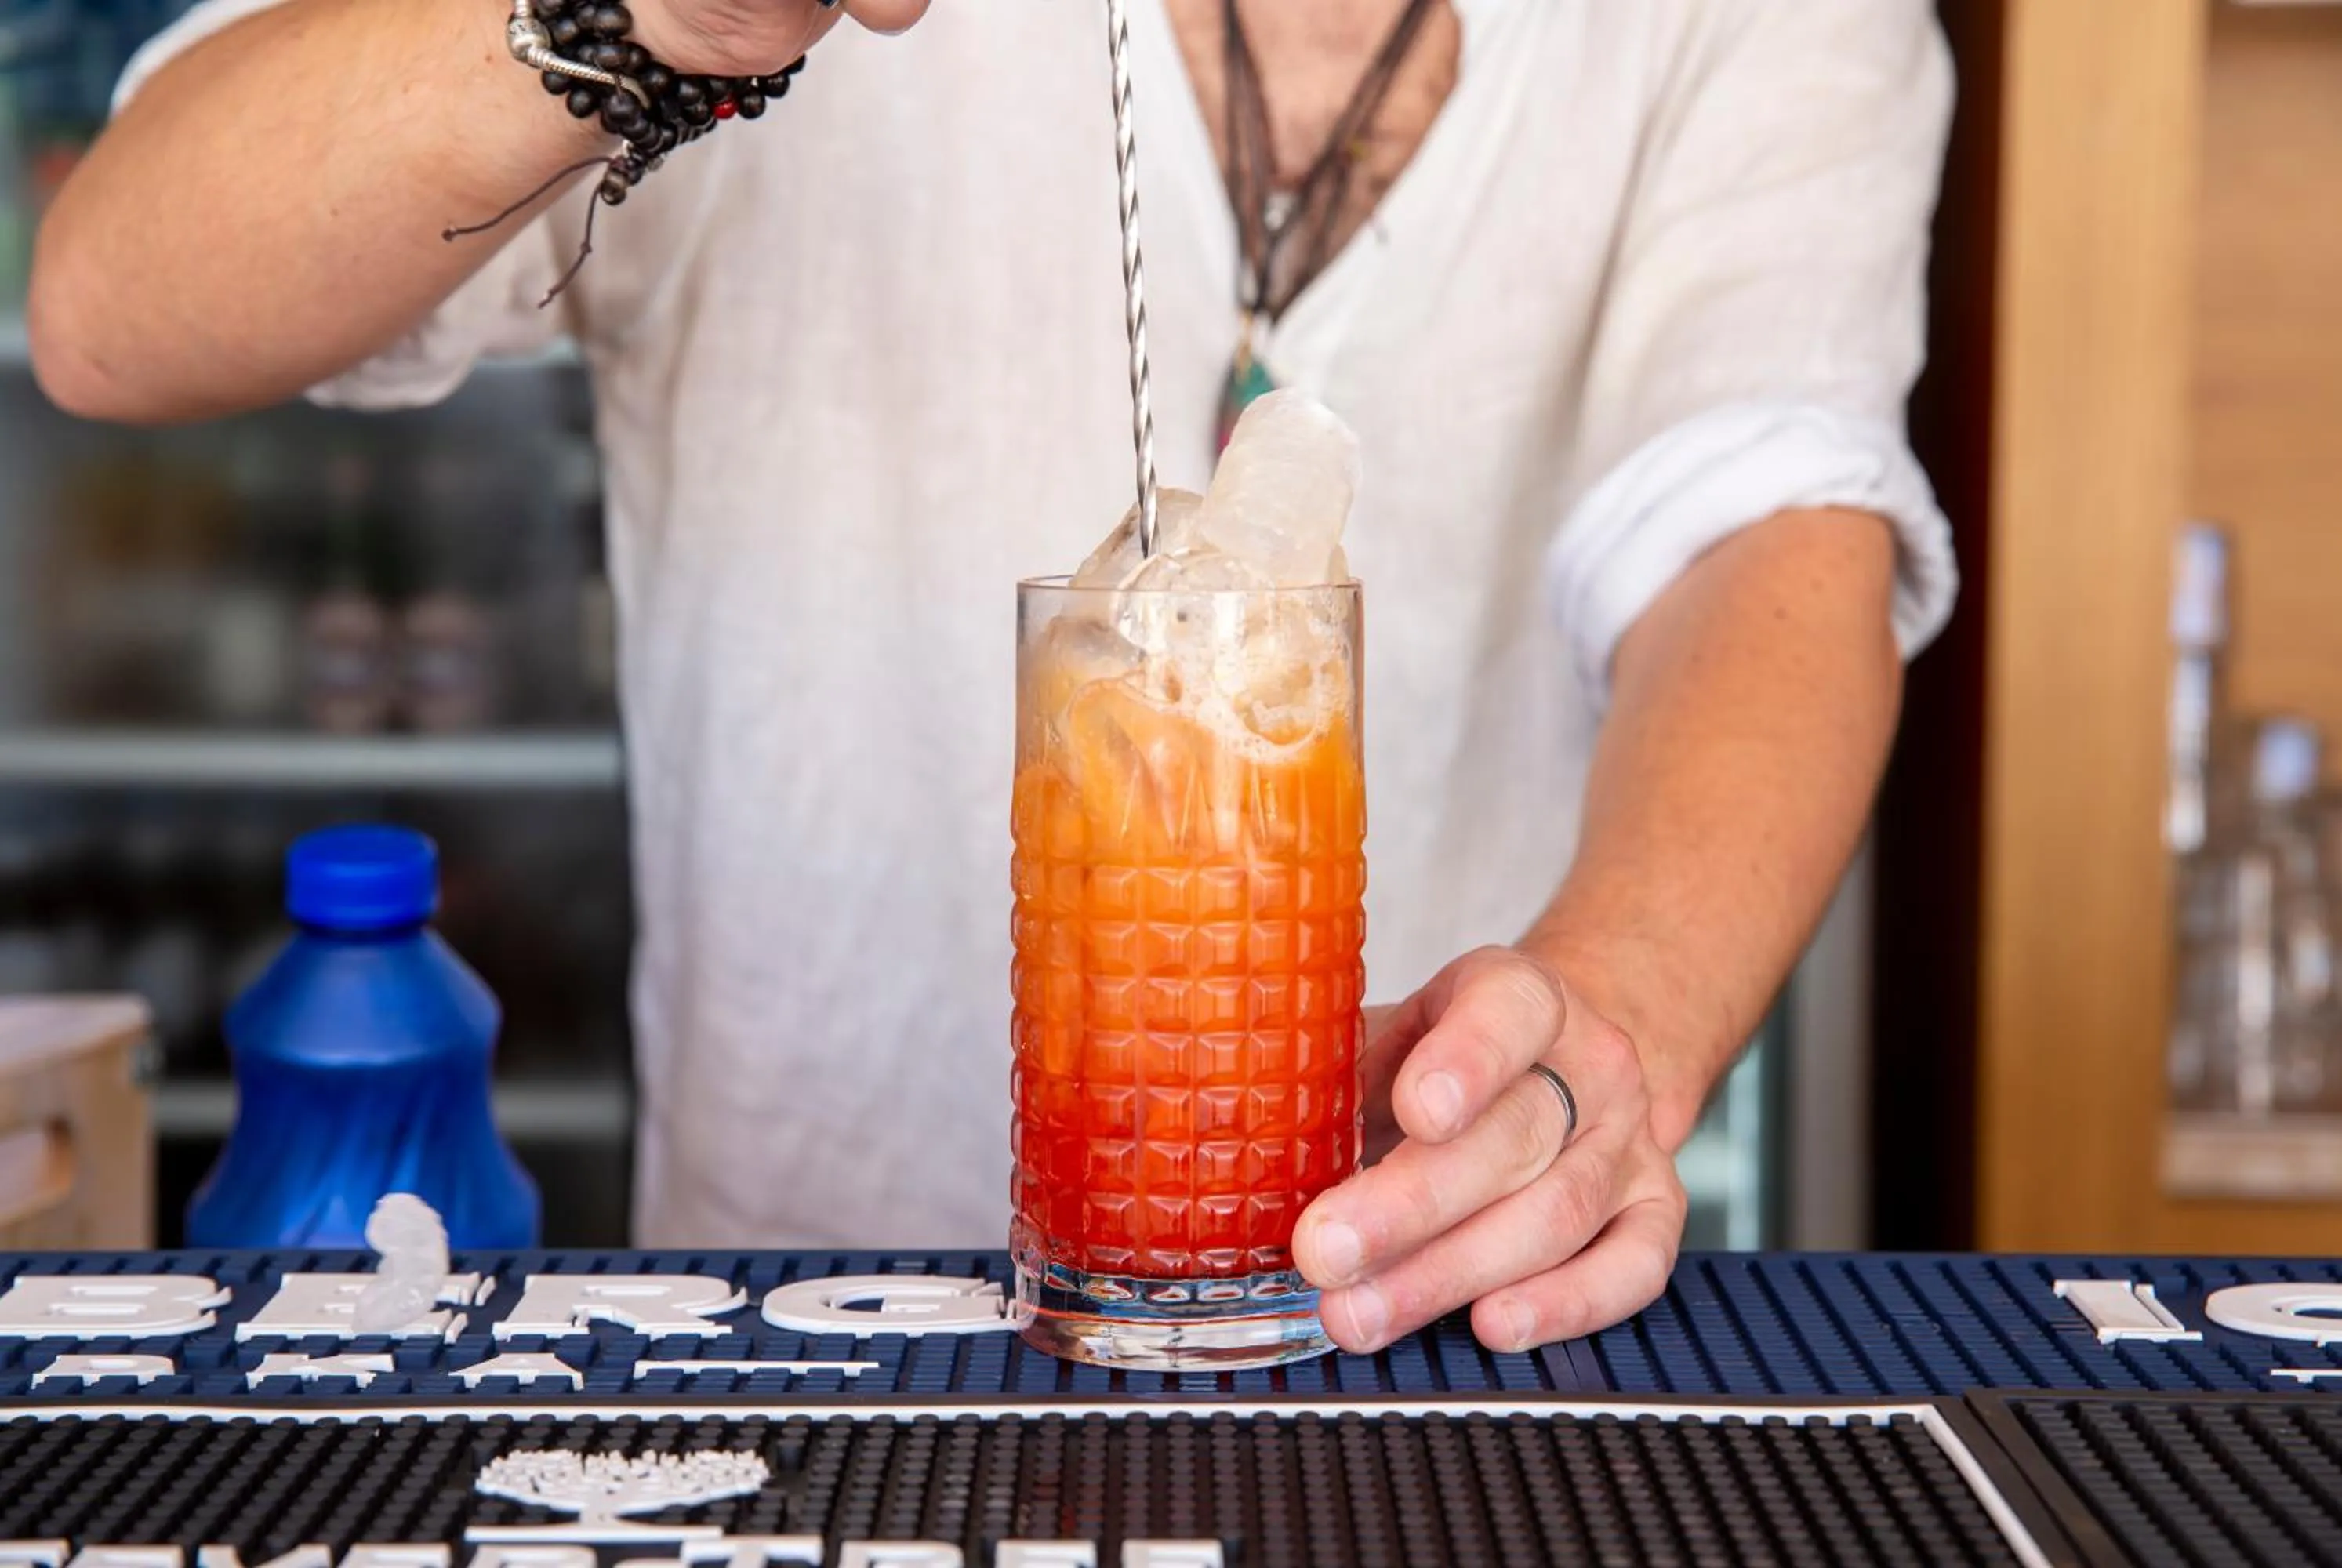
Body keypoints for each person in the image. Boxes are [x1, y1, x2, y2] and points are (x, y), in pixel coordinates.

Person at [27, 0, 1956, 1356]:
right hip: (796, 1350)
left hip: (1410, 1318)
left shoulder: (1762, 18)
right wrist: (628, 17)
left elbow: (1769, 530)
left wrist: (1615, 1013)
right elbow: (114, 308)